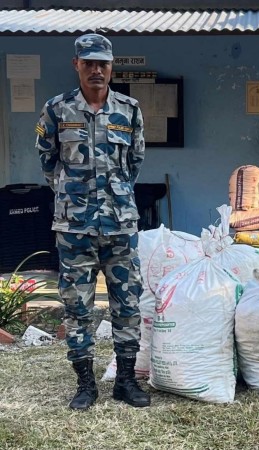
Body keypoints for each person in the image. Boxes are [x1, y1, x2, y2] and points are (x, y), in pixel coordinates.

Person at [35, 33, 150, 410]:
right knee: (78, 306)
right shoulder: (57, 109)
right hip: (75, 228)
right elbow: (48, 161)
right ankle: (85, 384)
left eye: (103, 63)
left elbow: (134, 163)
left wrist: (114, 197)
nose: (97, 70)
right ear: (77, 65)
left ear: (112, 66)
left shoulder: (129, 109)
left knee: (127, 303)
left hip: (120, 226)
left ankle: (127, 382)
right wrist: (73, 195)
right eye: (89, 63)